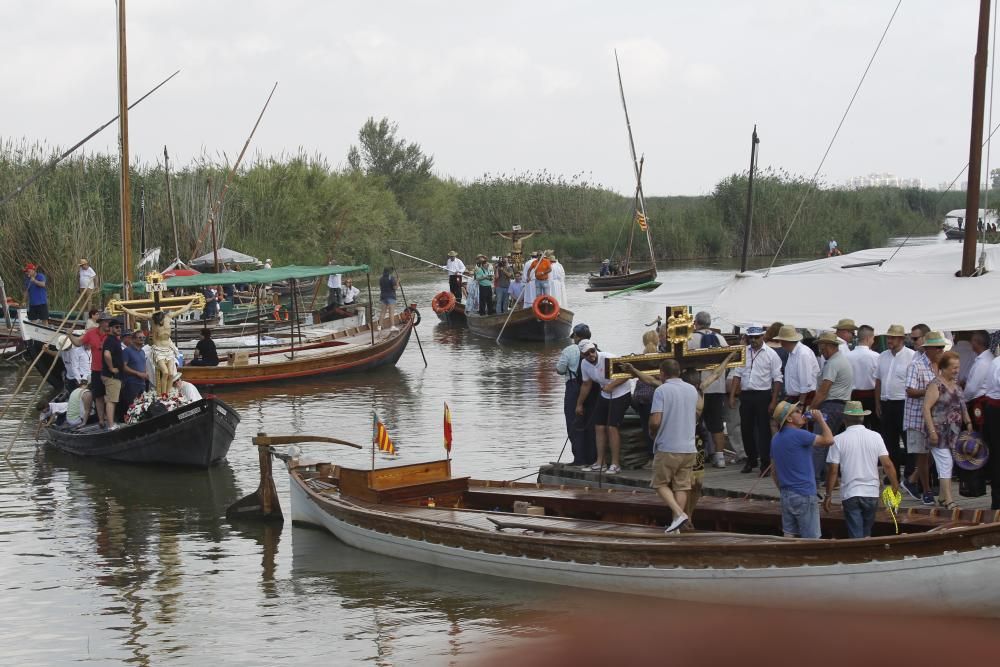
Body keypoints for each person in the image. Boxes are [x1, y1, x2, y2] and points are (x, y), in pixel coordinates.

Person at [824, 401, 900, 538]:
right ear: (862, 418)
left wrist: (828, 495)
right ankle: (867, 554)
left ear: (844, 419)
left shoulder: (838, 439)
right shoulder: (876, 436)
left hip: (851, 492)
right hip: (871, 492)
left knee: (855, 533)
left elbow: (833, 470)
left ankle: (859, 556)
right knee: (867, 532)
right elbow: (887, 464)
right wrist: (895, 486)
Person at [648, 359, 700, 533]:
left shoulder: (662, 390)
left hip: (668, 445)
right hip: (689, 446)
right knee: (681, 486)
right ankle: (676, 525)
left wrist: (651, 432)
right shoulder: (692, 390)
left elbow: (655, 420)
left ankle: (679, 514)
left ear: (662, 373)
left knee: (659, 484)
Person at [771, 401, 835, 538]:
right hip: (804, 493)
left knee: (789, 537)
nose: (801, 412)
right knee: (812, 539)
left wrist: (784, 489)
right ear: (789, 419)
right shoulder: (800, 435)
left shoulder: (775, 439)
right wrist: (820, 420)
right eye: (796, 411)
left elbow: (774, 472)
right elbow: (829, 440)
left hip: (786, 494)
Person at [729, 324, 783, 475]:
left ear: (763, 337)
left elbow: (777, 379)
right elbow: (737, 375)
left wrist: (773, 400)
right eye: (750, 337)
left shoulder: (771, 354)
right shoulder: (744, 352)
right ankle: (751, 459)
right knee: (746, 429)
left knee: (763, 430)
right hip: (746, 394)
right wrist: (733, 395)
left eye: (756, 337)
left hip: (762, 394)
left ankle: (765, 463)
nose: (753, 340)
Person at [902, 328, 947, 506]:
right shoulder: (916, 365)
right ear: (929, 349)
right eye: (939, 348)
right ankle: (926, 491)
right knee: (923, 455)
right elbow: (909, 390)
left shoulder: (942, 365)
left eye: (942, 348)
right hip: (917, 416)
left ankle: (912, 481)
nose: (941, 351)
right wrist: (930, 392)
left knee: (931, 455)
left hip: (935, 416)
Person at [118, 300, 200, 396]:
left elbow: (183, 310)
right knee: (165, 373)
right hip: (159, 350)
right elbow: (137, 313)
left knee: (171, 374)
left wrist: (191, 303)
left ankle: (168, 395)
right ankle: (163, 394)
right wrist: (124, 309)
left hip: (168, 349)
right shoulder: (152, 319)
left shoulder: (169, 316)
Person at [923, 351, 971, 510]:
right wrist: (931, 432)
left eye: (958, 367)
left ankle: (943, 497)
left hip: (954, 432)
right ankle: (949, 500)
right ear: (943, 368)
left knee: (947, 464)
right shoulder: (935, 385)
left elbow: (962, 405)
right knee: (946, 463)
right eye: (953, 368)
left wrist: (968, 422)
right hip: (938, 432)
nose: (956, 370)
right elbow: (926, 409)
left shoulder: (956, 385)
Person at [576, 341, 632, 474]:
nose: (591, 354)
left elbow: (627, 373)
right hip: (604, 394)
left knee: (612, 427)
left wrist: (612, 385)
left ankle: (615, 464)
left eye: (592, 350)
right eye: (587, 353)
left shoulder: (608, 357)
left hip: (621, 393)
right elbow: (586, 384)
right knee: (599, 426)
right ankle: (600, 462)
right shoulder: (584, 364)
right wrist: (579, 404)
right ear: (582, 355)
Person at [809, 331, 854, 482]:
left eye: (822, 348)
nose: (821, 351)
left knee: (819, 442)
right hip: (838, 405)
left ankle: (814, 477)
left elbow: (823, 390)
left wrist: (811, 409)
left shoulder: (833, 363)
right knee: (827, 442)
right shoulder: (838, 360)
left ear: (828, 346)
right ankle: (826, 476)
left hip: (831, 405)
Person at [874, 324, 916, 479]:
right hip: (887, 403)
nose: (889, 340)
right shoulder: (882, 356)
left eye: (892, 338)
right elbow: (878, 381)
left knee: (907, 440)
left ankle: (910, 474)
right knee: (889, 441)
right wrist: (878, 402)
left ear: (901, 339)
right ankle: (893, 473)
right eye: (888, 337)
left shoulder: (911, 356)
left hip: (903, 402)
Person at [688, 312, 729, 468]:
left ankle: (698, 458)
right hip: (717, 386)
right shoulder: (721, 339)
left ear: (695, 323)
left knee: (695, 423)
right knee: (717, 424)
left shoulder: (691, 339)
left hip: (699, 388)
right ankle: (720, 457)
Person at [555, 323, 596, 466]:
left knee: (574, 422)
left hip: (573, 388)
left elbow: (560, 369)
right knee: (590, 422)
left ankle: (579, 459)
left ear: (577, 336)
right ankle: (592, 458)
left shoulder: (569, 350)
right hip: (592, 389)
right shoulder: (595, 348)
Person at [70, 312, 110, 428]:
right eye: (106, 321)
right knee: (98, 396)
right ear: (101, 323)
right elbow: (78, 342)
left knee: (109, 396)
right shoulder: (91, 333)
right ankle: (101, 419)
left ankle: (109, 417)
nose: (108, 323)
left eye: (109, 321)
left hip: (109, 370)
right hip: (96, 370)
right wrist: (70, 335)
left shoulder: (111, 333)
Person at [628, 331, 662, 458]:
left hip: (641, 397)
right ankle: (657, 455)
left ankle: (650, 455)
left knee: (647, 428)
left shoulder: (640, 358)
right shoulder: (661, 357)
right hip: (655, 396)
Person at [774, 325, 818, 407]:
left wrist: (800, 404)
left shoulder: (802, 354)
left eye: (781, 340)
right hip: (797, 398)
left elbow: (805, 383)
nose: (780, 343)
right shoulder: (793, 353)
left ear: (784, 341)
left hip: (803, 399)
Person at [847, 324, 880, 431]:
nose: (873, 341)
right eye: (873, 338)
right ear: (868, 338)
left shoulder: (847, 356)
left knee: (855, 428)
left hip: (853, 398)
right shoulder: (876, 356)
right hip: (871, 398)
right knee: (875, 429)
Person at [962, 330, 994, 427]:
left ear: (977, 342)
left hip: (978, 403)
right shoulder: (986, 358)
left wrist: (963, 401)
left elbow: (972, 389)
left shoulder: (983, 362)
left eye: (972, 341)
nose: (970, 343)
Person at [981, 353, 1000, 509]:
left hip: (993, 410)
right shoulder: (997, 363)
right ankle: (997, 502)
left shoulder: (995, 362)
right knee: (997, 456)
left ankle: (997, 501)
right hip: (996, 411)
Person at [101, 319, 125, 428]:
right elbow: (106, 354)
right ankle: (111, 425)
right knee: (111, 400)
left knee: (111, 399)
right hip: (111, 376)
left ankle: (111, 423)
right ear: (110, 328)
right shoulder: (110, 340)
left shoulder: (114, 340)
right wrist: (111, 368)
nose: (119, 329)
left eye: (120, 327)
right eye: (116, 327)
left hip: (113, 376)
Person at [120, 330, 148, 416]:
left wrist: (146, 372)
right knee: (131, 407)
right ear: (133, 339)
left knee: (141, 406)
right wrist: (137, 373)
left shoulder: (142, 352)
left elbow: (144, 364)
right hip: (131, 383)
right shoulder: (127, 351)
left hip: (142, 383)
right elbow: (123, 367)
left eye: (143, 337)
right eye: (140, 337)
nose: (142, 339)